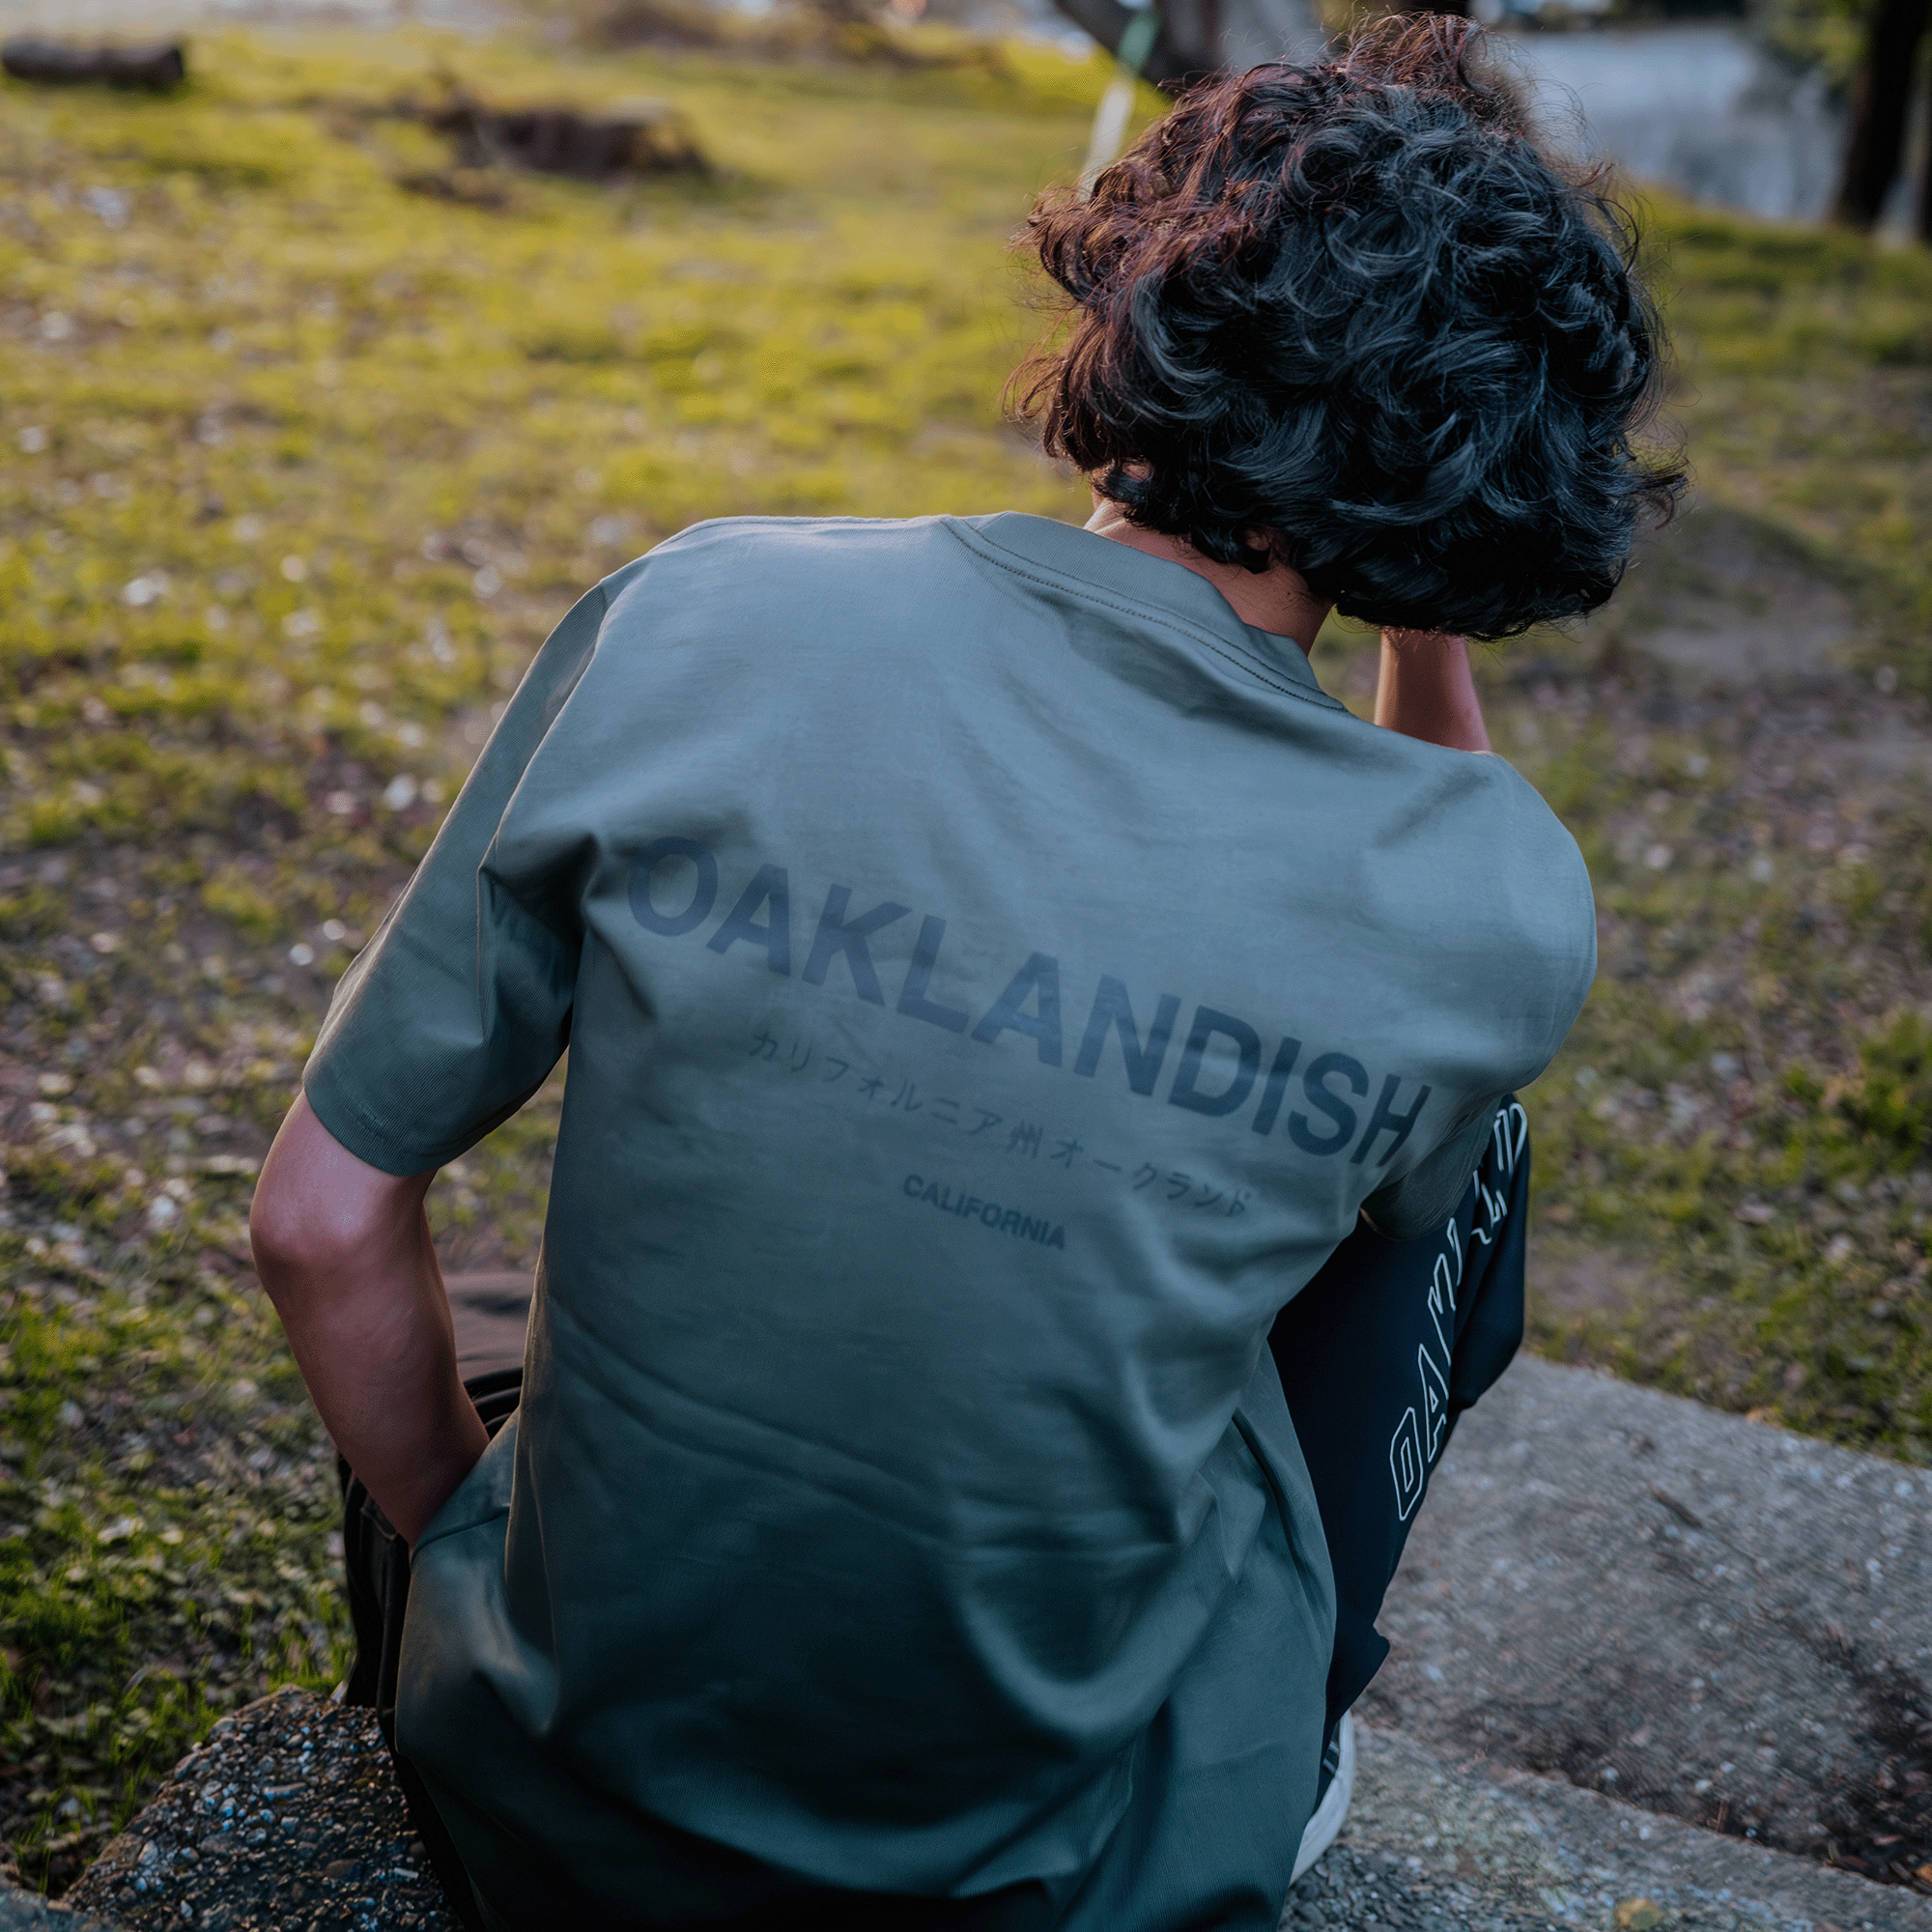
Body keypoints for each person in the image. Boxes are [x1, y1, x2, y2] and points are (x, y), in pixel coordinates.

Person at [249, 17, 1677, 1930]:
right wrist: (1416, 574)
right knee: (1464, 1157)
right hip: (1072, 1867)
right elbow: (1441, 935)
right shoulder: (1493, 896)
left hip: (536, 1783)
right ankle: (1299, 1711)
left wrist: (464, 1547)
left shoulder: (708, 609)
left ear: (1133, 285)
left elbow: (325, 1221)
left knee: (509, 1288)